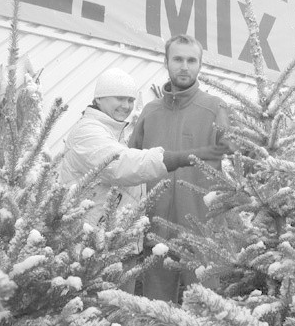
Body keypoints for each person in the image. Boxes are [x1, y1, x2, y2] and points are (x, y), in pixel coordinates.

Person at [59, 68, 229, 293]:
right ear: (99, 98)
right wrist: (176, 158)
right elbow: (123, 165)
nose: (126, 106)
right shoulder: (90, 132)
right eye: (119, 98)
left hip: (117, 242)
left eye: (130, 100)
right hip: (94, 244)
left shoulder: (113, 131)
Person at [128, 34, 232, 302]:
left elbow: (236, 160)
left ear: (199, 65)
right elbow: (132, 165)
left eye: (191, 60)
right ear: (166, 62)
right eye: (178, 59)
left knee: (207, 310)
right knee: (156, 311)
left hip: (202, 234)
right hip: (156, 234)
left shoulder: (215, 109)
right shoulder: (149, 112)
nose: (184, 66)